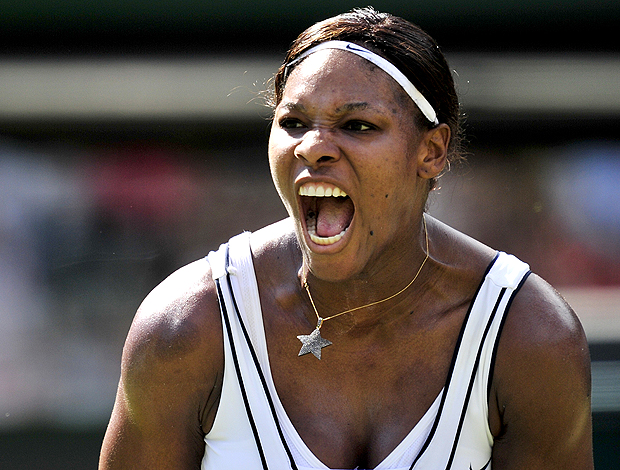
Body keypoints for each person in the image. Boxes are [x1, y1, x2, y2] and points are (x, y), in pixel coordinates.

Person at [99, 7, 593, 470]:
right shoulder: (188, 325)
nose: (312, 147)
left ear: (432, 151)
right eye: (293, 122)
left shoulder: (529, 335)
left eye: (357, 125)